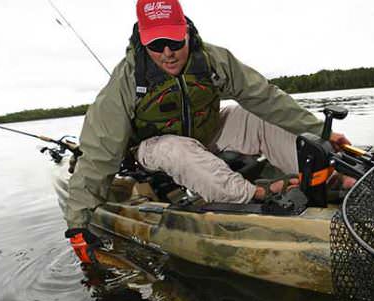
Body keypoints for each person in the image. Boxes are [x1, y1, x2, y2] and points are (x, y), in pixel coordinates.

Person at [64, 0, 353, 263]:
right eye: (156, 44)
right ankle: (257, 194)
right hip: (153, 148)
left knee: (250, 114)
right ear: (142, 41)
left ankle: (322, 171)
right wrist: (77, 224)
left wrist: (319, 131)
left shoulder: (213, 59)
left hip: (206, 131)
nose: (167, 53)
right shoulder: (126, 79)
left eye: (174, 41)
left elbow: (264, 97)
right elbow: (99, 152)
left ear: (186, 31)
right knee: (175, 148)